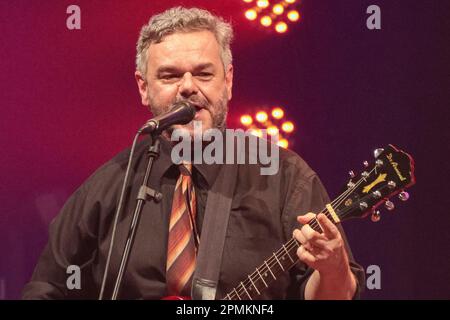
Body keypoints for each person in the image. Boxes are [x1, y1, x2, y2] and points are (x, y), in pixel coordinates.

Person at [22, 7, 364, 300]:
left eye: (203, 73)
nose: (188, 87)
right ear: (143, 87)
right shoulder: (110, 184)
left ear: (228, 81)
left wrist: (333, 268)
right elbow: (45, 287)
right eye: (170, 75)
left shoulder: (284, 176)